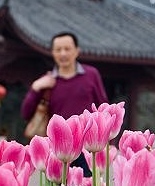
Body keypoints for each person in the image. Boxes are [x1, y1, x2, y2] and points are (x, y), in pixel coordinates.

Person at [21, 31, 108, 171]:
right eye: (58, 50)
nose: (63, 54)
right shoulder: (47, 82)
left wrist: (107, 142)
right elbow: (26, 113)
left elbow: (103, 109)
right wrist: (35, 88)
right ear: (53, 53)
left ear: (77, 51)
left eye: (67, 49)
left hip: (86, 146)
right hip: (58, 148)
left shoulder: (91, 75)